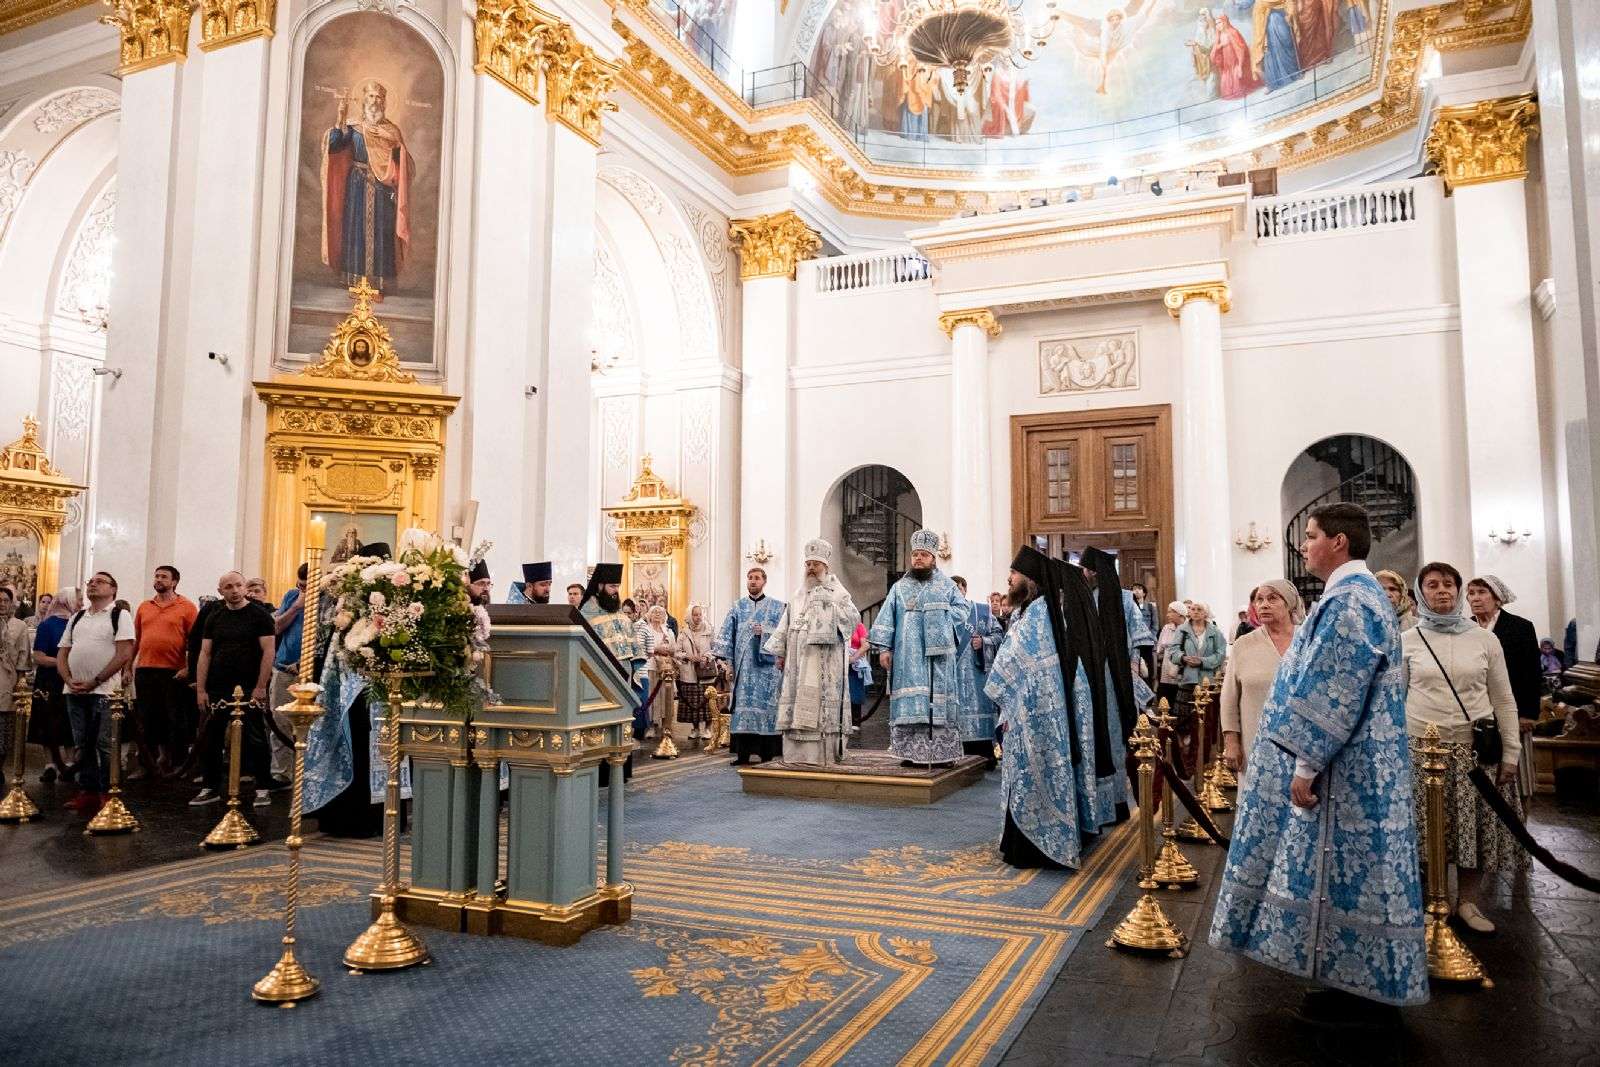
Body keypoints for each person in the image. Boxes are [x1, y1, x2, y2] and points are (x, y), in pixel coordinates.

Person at [1210, 503, 1427, 1022]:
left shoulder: (1350, 602)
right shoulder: (1355, 596)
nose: (1304, 545)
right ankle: (1348, 979)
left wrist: (1306, 764)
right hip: (1357, 764)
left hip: (1347, 772)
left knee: (1352, 877)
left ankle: (1363, 996)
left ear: (1339, 543)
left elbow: (1335, 692)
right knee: (1343, 882)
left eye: (1310, 536)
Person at [1403, 563, 1526, 933]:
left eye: (1449, 584)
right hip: (1421, 748)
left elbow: (1503, 699)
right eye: (1432, 585)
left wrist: (1511, 752)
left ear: (1458, 591)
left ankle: (1468, 902)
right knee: (1428, 829)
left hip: (1475, 748)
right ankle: (1432, 899)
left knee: (1476, 827)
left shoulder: (1485, 639)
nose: (1442, 591)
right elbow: (1395, 697)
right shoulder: (1408, 639)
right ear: (1421, 592)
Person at [986, 547, 1098, 868]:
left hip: (1036, 709)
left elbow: (1018, 659)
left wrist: (1000, 686)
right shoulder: (1028, 611)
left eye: (1015, 574)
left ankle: (1036, 847)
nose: (1009, 579)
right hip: (1025, 706)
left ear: (1031, 580)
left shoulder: (1040, 613)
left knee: (1034, 774)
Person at [869, 530, 970, 767]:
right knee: (911, 706)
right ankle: (910, 752)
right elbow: (887, 618)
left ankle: (942, 755)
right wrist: (884, 648)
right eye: (915, 554)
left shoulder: (947, 586)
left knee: (937, 705)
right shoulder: (899, 588)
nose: (918, 559)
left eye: (924, 555)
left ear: (933, 558)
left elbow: (963, 612)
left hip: (938, 660)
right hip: (907, 658)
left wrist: (940, 615)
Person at [764, 540, 860, 765]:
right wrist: (781, 653)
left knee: (820, 707)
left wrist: (828, 607)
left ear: (826, 567)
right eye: (808, 563)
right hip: (796, 663)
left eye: (816, 564)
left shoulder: (838, 592)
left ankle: (822, 755)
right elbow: (785, 624)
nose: (811, 568)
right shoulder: (797, 595)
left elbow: (853, 618)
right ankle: (797, 755)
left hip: (824, 661)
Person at [192, 571, 275, 809]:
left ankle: (262, 788)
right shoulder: (215, 616)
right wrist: (201, 689)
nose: (235, 590)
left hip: (249, 685)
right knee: (211, 736)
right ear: (221, 591)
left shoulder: (259, 614)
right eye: (229, 587)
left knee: (255, 737)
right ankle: (210, 786)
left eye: (239, 585)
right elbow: (205, 653)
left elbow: (268, 651)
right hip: (218, 685)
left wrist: (261, 686)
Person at [56, 572, 136, 815]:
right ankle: (88, 792)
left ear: (113, 589)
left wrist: (95, 680)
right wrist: (69, 679)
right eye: (90, 581)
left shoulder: (119, 615)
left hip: (105, 691)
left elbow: (123, 654)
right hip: (74, 690)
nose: (92, 584)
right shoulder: (78, 617)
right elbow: (63, 652)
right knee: (82, 744)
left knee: (105, 744)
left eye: (99, 581)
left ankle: (108, 793)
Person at [323, 79, 414, 291]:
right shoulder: (354, 128)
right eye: (371, 97)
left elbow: (405, 164)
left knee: (382, 232)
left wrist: (395, 144)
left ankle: (379, 285)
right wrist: (340, 118)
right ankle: (356, 283)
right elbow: (334, 146)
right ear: (364, 100)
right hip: (357, 186)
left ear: (384, 103)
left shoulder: (392, 131)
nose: (375, 101)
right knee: (356, 229)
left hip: (383, 190)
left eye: (379, 97)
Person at [1220, 580, 1303, 784]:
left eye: (1272, 598)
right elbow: (1229, 698)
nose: (1263, 605)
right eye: (1259, 600)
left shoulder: (1308, 640)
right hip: (1255, 743)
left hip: (1302, 746)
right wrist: (1231, 742)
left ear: (1290, 603)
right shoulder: (1244, 644)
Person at [714, 566, 786, 765]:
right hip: (744, 669)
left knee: (765, 705)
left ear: (764, 581)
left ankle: (767, 754)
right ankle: (742, 754)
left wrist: (765, 631)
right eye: (750, 578)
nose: (752, 581)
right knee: (743, 706)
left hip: (767, 670)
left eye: (756, 578)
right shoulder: (738, 607)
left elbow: (784, 633)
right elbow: (728, 634)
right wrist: (726, 662)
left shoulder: (777, 607)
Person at [131, 564, 198, 778]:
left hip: (173, 672)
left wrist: (189, 668)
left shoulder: (187, 607)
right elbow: (137, 639)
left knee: (174, 719)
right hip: (145, 669)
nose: (159, 579)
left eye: (164, 577)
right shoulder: (144, 606)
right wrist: (127, 667)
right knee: (146, 719)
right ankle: (146, 764)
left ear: (174, 582)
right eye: (157, 576)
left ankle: (176, 763)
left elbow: (194, 642)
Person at [1466, 575, 1543, 721]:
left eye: (1482, 592)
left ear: (1498, 598)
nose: (1475, 598)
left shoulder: (1521, 627)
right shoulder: (1464, 628)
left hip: (1511, 708)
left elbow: (1532, 672)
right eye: (1471, 593)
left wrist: (1528, 714)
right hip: (1473, 710)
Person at [29, 587, 79, 783]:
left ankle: (69, 764)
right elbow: (39, 656)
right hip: (50, 681)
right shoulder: (48, 625)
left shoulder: (78, 623)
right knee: (47, 722)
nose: (82, 603)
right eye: (78, 599)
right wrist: (62, 664)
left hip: (71, 680)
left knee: (69, 722)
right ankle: (50, 764)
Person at [267, 563, 310, 785]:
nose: (301, 589)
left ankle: (308, 774)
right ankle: (282, 773)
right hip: (283, 667)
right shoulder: (292, 596)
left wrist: (304, 662)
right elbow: (276, 628)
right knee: (280, 721)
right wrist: (295, 607)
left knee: (310, 725)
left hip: (310, 672)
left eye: (306, 587)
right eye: (299, 585)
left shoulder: (327, 601)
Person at [951, 575, 1001, 764]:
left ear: (965, 589)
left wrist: (984, 641)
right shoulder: (944, 614)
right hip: (953, 676)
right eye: (952, 589)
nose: (956, 592)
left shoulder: (982, 611)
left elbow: (999, 635)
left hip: (976, 675)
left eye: (959, 588)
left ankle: (984, 755)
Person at [673, 603, 717, 741]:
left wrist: (706, 657)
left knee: (707, 700)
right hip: (689, 672)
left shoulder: (709, 630)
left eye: (699, 614)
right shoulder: (683, 632)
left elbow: (715, 649)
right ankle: (696, 728)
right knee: (692, 702)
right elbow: (676, 651)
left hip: (705, 671)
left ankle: (708, 729)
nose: (698, 617)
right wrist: (687, 656)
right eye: (695, 614)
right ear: (690, 616)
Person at [0, 586, 30, 767]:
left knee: (4, 727)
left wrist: (21, 681)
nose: (2, 604)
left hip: (7, 680)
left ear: (12, 603)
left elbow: (23, 655)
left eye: (5, 600)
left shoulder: (19, 626)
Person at [641, 604, 677, 740]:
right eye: (654, 612)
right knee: (651, 696)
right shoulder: (645, 630)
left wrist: (667, 650)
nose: (657, 614)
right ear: (649, 614)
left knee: (664, 697)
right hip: (650, 666)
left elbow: (674, 649)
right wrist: (656, 649)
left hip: (665, 668)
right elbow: (642, 647)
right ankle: (650, 726)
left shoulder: (668, 631)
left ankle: (665, 725)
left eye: (660, 612)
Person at [1152, 600, 1185, 709]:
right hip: (1166, 673)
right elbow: (1159, 649)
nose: (1167, 615)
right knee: (1165, 703)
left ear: (1179, 613)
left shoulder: (1188, 629)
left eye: (1171, 612)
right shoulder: (1166, 628)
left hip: (1181, 675)